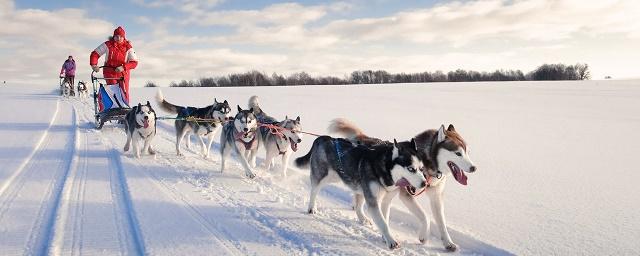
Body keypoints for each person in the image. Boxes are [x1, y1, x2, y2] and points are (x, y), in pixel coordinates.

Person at [89, 26, 138, 111]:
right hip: (110, 72)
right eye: (116, 36)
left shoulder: (128, 47)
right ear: (113, 36)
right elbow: (95, 54)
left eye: (120, 36)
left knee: (124, 92)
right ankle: (114, 110)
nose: (118, 38)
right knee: (113, 91)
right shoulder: (108, 44)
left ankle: (125, 111)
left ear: (124, 37)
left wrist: (123, 67)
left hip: (123, 73)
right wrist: (94, 65)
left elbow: (134, 62)